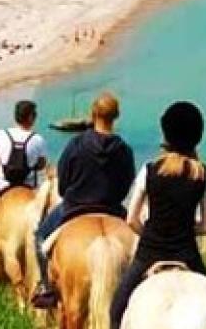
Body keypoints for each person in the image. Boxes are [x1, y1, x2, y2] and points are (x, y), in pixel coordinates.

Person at [107, 101, 206, 329]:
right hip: (188, 254)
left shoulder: (149, 170)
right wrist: (186, 229)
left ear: (166, 134)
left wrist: (152, 232)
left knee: (116, 309)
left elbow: (131, 219)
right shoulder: (204, 174)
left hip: (149, 253)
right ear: (198, 136)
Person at [31, 92, 136, 309]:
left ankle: (46, 287)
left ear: (93, 113)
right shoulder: (124, 149)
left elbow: (62, 185)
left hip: (75, 207)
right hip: (113, 209)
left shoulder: (76, 145)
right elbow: (127, 183)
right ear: (116, 116)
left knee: (40, 238)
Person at [0, 100, 50, 252]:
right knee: (46, 214)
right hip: (29, 186)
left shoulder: (2, 135)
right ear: (31, 118)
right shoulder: (38, 139)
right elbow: (41, 164)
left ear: (16, 117)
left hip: (3, 183)